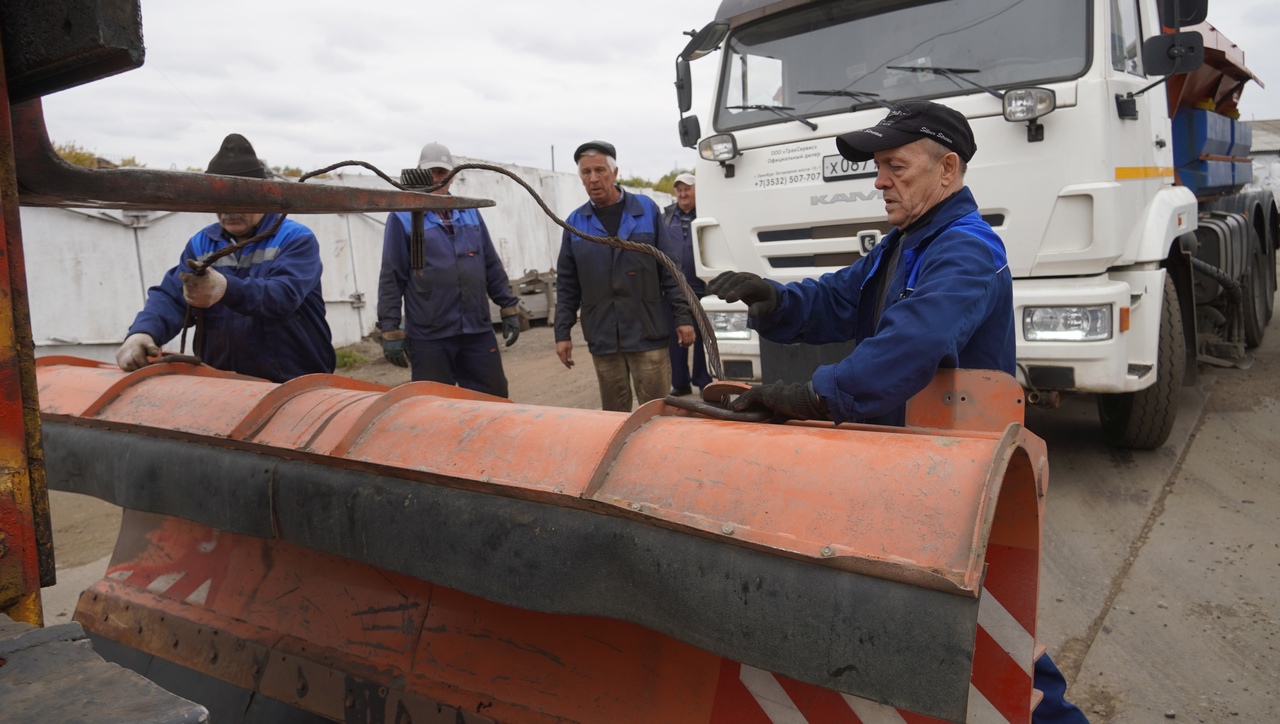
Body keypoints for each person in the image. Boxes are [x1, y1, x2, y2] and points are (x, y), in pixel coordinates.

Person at [708, 99, 1086, 724]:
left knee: (986, 629)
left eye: (894, 166)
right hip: (913, 467)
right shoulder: (905, 243)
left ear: (948, 169)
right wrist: (774, 299)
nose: (880, 180)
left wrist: (812, 395)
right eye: (878, 166)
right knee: (947, 622)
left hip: (958, 481)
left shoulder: (965, 250)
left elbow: (909, 346)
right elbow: (836, 298)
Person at [116, 134, 335, 382]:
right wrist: (143, 332)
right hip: (221, 382)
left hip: (292, 380)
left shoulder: (295, 238)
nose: (229, 210)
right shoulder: (201, 243)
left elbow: (283, 296)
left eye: (238, 200)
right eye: (220, 201)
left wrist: (225, 289)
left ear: (262, 196)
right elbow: (174, 296)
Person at [554, 141, 697, 412]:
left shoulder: (645, 211)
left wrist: (682, 317)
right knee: (614, 416)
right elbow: (567, 284)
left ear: (615, 172)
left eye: (599, 170)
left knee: (657, 413)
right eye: (586, 172)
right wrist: (562, 333)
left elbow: (670, 270)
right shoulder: (574, 223)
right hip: (604, 337)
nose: (593, 178)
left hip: (647, 330)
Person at [376, 142, 522, 398]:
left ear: (452, 176)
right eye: (431, 172)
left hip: (476, 330)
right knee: (433, 407)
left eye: (442, 173)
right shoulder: (402, 216)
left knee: (494, 399)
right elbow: (392, 275)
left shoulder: (469, 211)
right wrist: (389, 328)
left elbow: (490, 263)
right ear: (419, 173)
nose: (437, 179)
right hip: (429, 336)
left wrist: (508, 305)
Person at [663, 172, 711, 396]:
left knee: (703, 335)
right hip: (675, 289)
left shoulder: (707, 213)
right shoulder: (667, 216)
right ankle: (680, 383)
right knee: (676, 336)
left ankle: (704, 380)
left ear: (696, 191)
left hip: (701, 287)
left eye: (687, 189)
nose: (683, 194)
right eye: (679, 190)